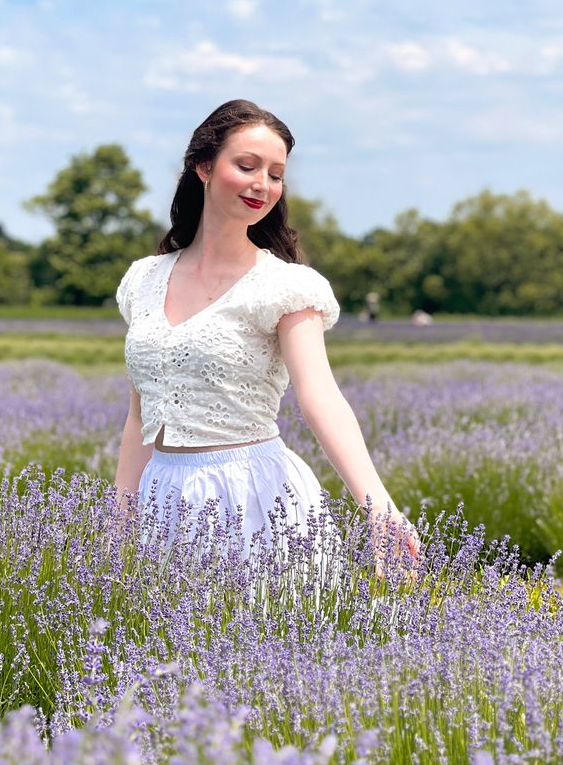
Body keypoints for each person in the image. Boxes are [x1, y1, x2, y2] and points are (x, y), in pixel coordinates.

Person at [111, 99, 421, 581]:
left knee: (272, 650)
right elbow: (140, 415)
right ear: (203, 167)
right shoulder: (144, 280)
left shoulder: (286, 286)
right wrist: (122, 516)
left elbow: (320, 397)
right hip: (162, 500)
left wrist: (378, 505)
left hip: (255, 497)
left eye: (276, 174)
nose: (263, 184)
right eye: (247, 166)